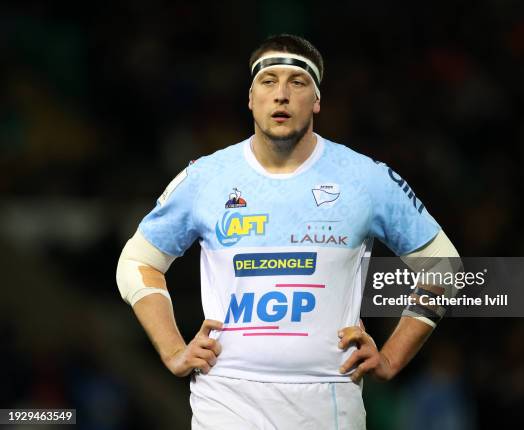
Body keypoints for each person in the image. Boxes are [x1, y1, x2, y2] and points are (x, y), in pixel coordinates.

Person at [116, 34, 459, 429]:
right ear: (250, 98)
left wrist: (393, 357)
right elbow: (137, 261)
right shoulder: (205, 178)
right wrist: (172, 348)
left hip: (329, 403)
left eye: (297, 82)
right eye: (268, 81)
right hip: (226, 401)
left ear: (316, 100)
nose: (281, 94)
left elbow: (444, 267)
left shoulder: (366, 179)